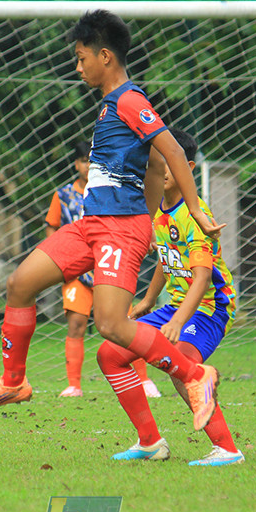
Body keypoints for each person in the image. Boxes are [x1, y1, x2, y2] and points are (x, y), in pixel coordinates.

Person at [0, 9, 223, 430]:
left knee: (110, 325)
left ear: (105, 56)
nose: (77, 66)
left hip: (120, 228)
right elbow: (156, 166)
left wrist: (192, 209)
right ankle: (14, 383)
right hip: (92, 224)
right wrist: (154, 214)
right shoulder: (109, 107)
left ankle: (196, 377)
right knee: (19, 284)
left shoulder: (130, 100)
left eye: (81, 58)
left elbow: (173, 152)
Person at [103, 130, 244, 466]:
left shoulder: (197, 217)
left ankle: (227, 449)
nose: (160, 169)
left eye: (168, 162)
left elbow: (202, 276)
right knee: (109, 354)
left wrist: (179, 320)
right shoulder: (155, 212)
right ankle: (150, 443)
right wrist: (149, 301)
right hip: (172, 307)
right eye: (155, 162)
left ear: (187, 167)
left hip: (208, 308)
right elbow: (167, 261)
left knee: (180, 360)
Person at [45, 142, 160, 399]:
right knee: (76, 324)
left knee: (124, 324)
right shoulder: (62, 196)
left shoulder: (113, 192)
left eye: (92, 161)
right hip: (78, 271)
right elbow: (52, 226)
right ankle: (74, 384)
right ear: (76, 164)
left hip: (112, 265)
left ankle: (143, 379)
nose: (88, 165)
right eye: (84, 161)